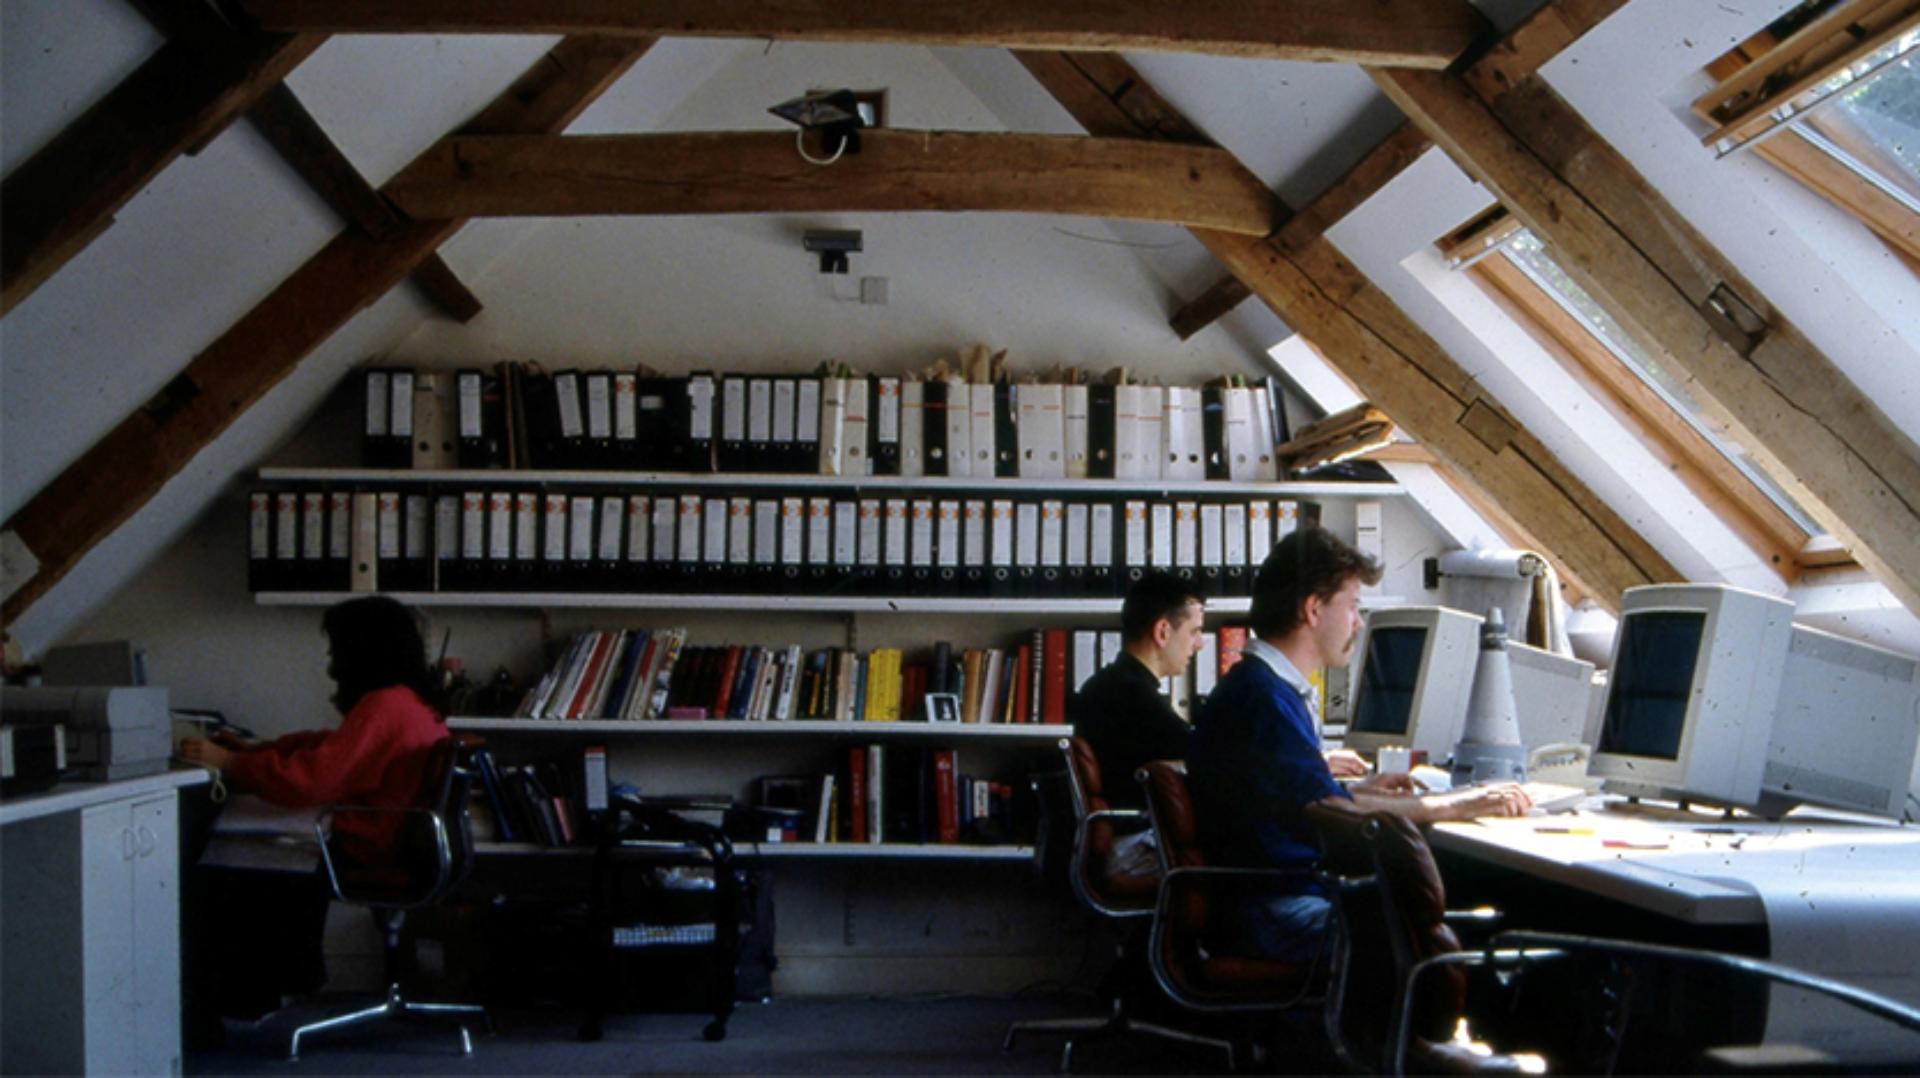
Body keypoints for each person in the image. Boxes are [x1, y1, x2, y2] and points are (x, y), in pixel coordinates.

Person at [1187, 527, 1529, 962]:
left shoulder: (1260, 687)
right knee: (1470, 931)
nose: (1359, 622)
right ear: (1313, 609)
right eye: (1353, 606)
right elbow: (1332, 812)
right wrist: (1459, 805)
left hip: (1258, 899)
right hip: (1274, 912)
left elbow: (1302, 796)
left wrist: (1365, 792)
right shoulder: (1265, 700)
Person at [175, 595, 450, 1041]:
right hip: (387, 840)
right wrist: (259, 750)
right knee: (244, 846)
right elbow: (330, 746)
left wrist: (228, 763)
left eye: (337, 649)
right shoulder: (408, 703)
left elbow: (311, 782)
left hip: (363, 847)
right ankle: (258, 992)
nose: (331, 662)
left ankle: (229, 1002)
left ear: (361, 648)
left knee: (220, 851)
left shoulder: (384, 706)